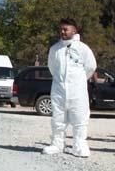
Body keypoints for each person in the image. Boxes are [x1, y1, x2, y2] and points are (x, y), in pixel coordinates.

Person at [41, 18, 97, 157]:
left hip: (77, 90)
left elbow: (90, 67)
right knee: (58, 118)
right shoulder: (55, 49)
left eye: (66, 29)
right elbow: (52, 67)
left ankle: (79, 145)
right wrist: (62, 81)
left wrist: (78, 81)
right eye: (61, 29)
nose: (62, 32)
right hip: (59, 89)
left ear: (74, 30)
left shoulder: (83, 48)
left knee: (79, 117)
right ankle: (57, 144)